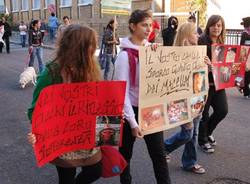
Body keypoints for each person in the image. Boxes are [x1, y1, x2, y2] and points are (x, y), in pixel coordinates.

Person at [27, 24, 102, 184]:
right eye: (91, 46)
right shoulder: (51, 73)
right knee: (66, 176)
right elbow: (34, 110)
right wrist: (37, 131)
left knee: (95, 170)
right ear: (78, 48)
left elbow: (99, 101)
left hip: (85, 134)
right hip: (62, 137)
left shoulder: (91, 68)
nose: (94, 50)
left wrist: (112, 115)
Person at [114, 9, 171, 184]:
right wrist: (132, 122)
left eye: (150, 25)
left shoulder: (151, 51)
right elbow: (121, 92)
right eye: (144, 25)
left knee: (159, 155)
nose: (148, 29)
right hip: (129, 111)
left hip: (151, 110)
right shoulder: (124, 56)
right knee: (125, 155)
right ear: (132, 26)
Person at [164, 22, 210, 174]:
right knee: (187, 133)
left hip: (197, 99)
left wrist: (208, 66)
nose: (198, 35)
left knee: (194, 133)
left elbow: (202, 78)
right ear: (186, 35)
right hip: (180, 100)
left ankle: (189, 162)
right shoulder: (174, 55)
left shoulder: (199, 53)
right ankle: (164, 147)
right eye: (195, 33)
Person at [198, 15, 228, 153]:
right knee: (203, 114)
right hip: (204, 84)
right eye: (214, 25)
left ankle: (207, 132)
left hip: (218, 84)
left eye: (219, 25)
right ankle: (203, 141)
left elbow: (225, 65)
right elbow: (196, 62)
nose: (216, 28)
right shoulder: (202, 41)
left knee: (222, 110)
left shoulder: (222, 42)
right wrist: (208, 66)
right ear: (209, 26)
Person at [240, 17, 250, 98]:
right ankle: (246, 91)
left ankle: (244, 88)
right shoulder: (245, 33)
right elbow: (242, 46)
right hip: (246, 56)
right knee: (246, 74)